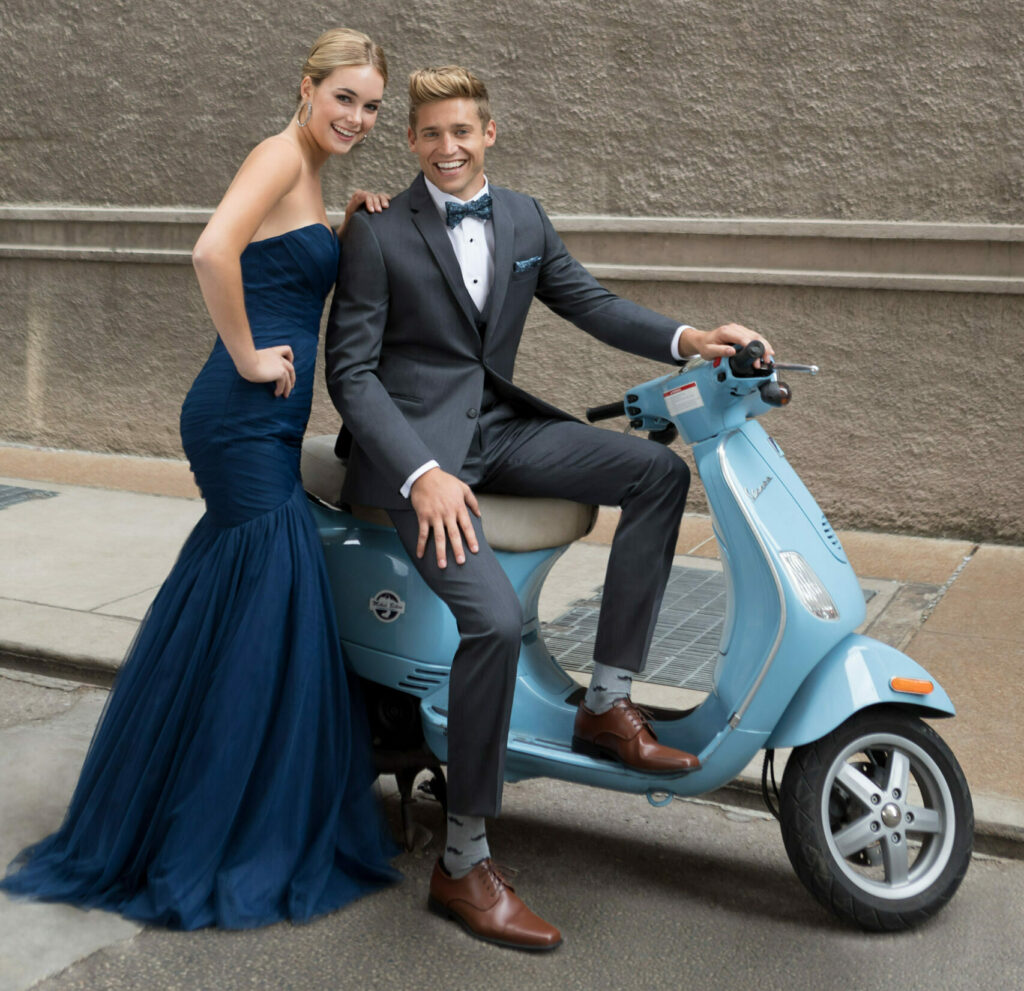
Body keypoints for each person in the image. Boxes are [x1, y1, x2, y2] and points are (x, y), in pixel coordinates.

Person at [325, 65, 773, 951]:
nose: (446, 148)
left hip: (498, 429)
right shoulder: (379, 232)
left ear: (490, 132)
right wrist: (419, 472)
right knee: (491, 622)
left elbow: (592, 303)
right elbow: (352, 372)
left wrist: (692, 339)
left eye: (462, 131)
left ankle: (608, 703)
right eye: (429, 134)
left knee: (656, 476)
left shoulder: (525, 217)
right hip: (413, 459)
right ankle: (464, 858)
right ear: (411, 142)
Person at [0, 29, 400, 929]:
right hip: (241, 413)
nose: (358, 118)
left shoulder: (307, 169)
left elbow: (276, 250)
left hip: (263, 417)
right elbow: (213, 249)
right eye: (344, 97)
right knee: (270, 605)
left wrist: (346, 220)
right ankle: (211, 831)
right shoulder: (274, 151)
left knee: (241, 610)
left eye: (372, 106)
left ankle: (197, 802)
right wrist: (253, 357)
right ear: (305, 87)